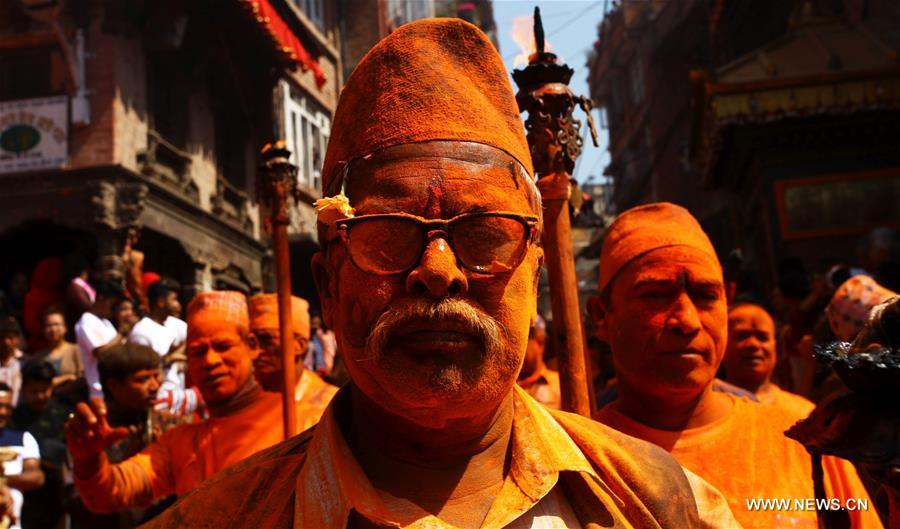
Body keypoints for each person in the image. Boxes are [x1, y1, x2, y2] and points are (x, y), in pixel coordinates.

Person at [145, 20, 739, 528]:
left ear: (534, 276)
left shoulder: (658, 502)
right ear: (328, 287)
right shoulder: (217, 518)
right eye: (389, 235)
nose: (437, 271)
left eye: (483, 236)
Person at [588, 202, 882, 529]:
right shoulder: (576, 459)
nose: (687, 321)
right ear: (601, 316)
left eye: (705, 295)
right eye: (655, 295)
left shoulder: (805, 438)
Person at [64, 291, 285, 514]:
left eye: (222, 346)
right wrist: (89, 460)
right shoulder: (180, 440)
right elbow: (113, 492)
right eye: (198, 352)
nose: (210, 361)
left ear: (252, 346)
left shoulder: (298, 417)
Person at [249, 294, 337, 431]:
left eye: (266, 339)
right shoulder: (241, 404)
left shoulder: (331, 407)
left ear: (299, 345)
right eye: (251, 342)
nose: (255, 351)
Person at [723, 303, 814, 418]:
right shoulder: (702, 409)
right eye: (741, 336)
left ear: (775, 346)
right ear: (722, 343)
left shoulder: (803, 412)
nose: (753, 344)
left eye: (762, 337)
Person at [11, 361, 68, 529]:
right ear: (23, 389)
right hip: (26, 493)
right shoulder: (14, 419)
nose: (40, 396)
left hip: (58, 492)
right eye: (34, 391)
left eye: (44, 390)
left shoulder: (65, 415)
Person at [128, 281, 198, 417]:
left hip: (179, 394)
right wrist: (167, 359)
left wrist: (183, 351)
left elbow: (195, 335)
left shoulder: (175, 324)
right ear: (161, 302)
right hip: (158, 398)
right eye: (174, 299)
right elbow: (141, 371)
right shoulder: (141, 332)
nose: (178, 304)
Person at [0, 382, 44, 529]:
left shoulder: (23, 439)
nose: (3, 412)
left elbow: (36, 477)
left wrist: (4, 481)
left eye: (8, 407)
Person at [74, 281, 128, 400]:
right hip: (100, 393)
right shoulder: (86, 321)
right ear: (101, 298)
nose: (115, 309)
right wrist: (122, 333)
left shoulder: (106, 323)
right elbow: (102, 353)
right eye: (113, 304)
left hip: (115, 389)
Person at [34, 308, 84, 396]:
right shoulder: (38, 357)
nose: (53, 329)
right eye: (48, 326)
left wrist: (60, 390)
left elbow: (83, 378)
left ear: (65, 327)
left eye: (57, 324)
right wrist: (67, 377)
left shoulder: (76, 350)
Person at [516, 321, 561, 409]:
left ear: (540, 344)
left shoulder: (558, 385)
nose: (516, 348)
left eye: (522, 340)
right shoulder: (506, 387)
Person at [23, 258, 63, 353]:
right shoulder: (33, 297)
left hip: (61, 344)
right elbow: (30, 324)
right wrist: (50, 332)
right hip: (40, 346)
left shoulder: (60, 295)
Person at [0, 317, 24, 405]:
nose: (6, 342)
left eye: (10, 337)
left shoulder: (26, 362)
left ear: (17, 338)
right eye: (1, 337)